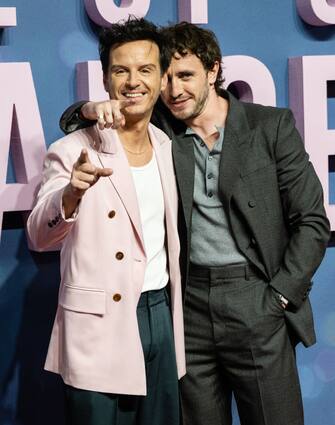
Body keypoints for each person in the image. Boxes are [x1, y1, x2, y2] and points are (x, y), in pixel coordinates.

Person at [60, 22, 330, 425]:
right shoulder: (164, 130)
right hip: (189, 310)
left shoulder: (268, 127)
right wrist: (87, 108)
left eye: (185, 76)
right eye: (165, 78)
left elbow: (312, 221)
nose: (173, 91)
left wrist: (278, 298)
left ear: (213, 71)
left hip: (257, 302)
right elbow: (74, 122)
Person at [27, 17, 186, 425]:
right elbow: (38, 236)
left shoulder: (168, 144)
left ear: (162, 77)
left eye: (146, 69)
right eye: (121, 70)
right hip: (98, 327)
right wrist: (70, 194)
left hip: (160, 315)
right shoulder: (73, 149)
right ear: (105, 79)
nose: (133, 81)